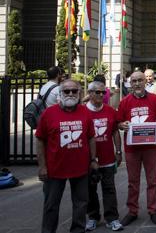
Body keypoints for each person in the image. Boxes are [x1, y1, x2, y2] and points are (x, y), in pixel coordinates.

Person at [36, 79, 98, 233]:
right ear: (60, 93)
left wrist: (93, 160)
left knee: (81, 204)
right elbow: (40, 140)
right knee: (51, 205)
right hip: (54, 169)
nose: (70, 94)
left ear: (79, 93)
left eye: (74, 91)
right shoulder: (48, 113)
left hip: (81, 168)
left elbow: (91, 137)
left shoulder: (85, 112)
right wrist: (42, 166)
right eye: (66, 91)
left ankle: (78, 230)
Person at [117, 71, 156, 226]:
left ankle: (153, 210)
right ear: (130, 83)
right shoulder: (125, 102)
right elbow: (118, 123)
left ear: (145, 82)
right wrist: (122, 125)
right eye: (134, 81)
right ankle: (133, 211)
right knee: (133, 181)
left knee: (152, 180)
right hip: (132, 149)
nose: (137, 83)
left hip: (151, 147)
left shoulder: (154, 99)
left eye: (140, 80)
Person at [85, 81, 123, 231]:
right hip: (88, 161)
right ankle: (93, 217)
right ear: (90, 93)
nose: (101, 95)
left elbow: (115, 132)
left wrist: (118, 151)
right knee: (90, 190)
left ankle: (112, 218)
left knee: (109, 189)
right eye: (97, 92)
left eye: (103, 92)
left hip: (108, 158)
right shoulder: (82, 111)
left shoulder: (110, 111)